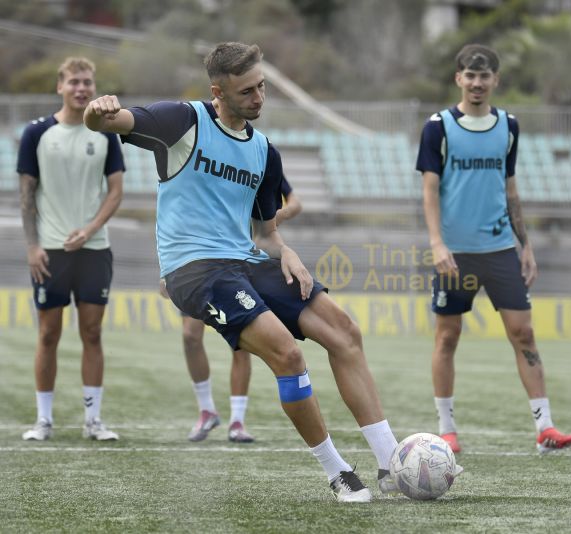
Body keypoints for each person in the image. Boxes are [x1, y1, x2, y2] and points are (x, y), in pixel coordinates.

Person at [84, 42, 418, 502]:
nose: (259, 97)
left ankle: (390, 463)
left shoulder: (264, 152)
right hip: (194, 271)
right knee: (289, 356)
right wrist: (98, 109)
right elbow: (105, 122)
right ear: (218, 92)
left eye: (261, 87)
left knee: (345, 332)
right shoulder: (181, 120)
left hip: (245, 259)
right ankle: (338, 471)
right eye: (247, 91)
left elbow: (264, 233)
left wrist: (286, 251)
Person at [416, 44, 571, 455]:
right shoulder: (438, 127)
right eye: (469, 75)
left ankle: (545, 428)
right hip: (455, 253)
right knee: (447, 337)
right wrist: (436, 243)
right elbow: (430, 191)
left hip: (501, 247)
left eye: (484, 76)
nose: (476, 83)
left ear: (495, 80)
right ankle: (447, 429)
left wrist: (527, 246)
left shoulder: (509, 126)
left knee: (523, 333)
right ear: (458, 79)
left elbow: (510, 189)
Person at [17, 57, 124, 442]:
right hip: (50, 251)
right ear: (60, 87)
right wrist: (32, 246)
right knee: (48, 335)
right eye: (75, 82)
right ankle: (43, 420)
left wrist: (91, 228)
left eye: (88, 82)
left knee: (92, 333)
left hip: (95, 249)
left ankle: (93, 420)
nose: (82, 88)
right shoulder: (36, 134)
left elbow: (116, 192)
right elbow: (26, 195)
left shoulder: (107, 134)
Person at [165, 181, 303, 443]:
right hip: (198, 262)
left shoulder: (260, 154)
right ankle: (206, 411)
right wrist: (168, 267)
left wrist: (271, 219)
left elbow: (295, 203)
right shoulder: (204, 157)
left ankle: (237, 421)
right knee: (190, 336)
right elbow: (176, 208)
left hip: (244, 260)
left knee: (242, 343)